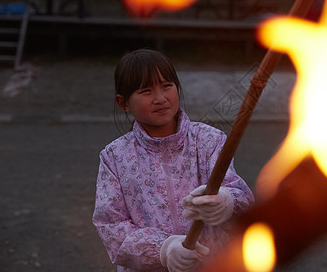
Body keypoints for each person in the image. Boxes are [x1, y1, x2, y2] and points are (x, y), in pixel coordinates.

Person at [92, 49, 255, 272]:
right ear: (123, 103)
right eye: (146, 91)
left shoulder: (209, 140)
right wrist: (164, 249)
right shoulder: (114, 157)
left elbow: (241, 197)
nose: (160, 98)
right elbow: (111, 225)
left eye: (167, 86)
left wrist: (226, 202)